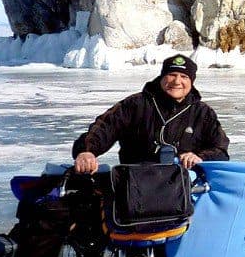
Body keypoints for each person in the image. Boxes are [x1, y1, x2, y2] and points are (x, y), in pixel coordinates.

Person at [72, 54, 230, 174]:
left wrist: (199, 157)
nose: (177, 81)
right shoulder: (136, 104)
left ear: (191, 81)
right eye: (172, 75)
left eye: (184, 77)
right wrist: (87, 151)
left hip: (183, 186)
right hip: (136, 182)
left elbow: (220, 150)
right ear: (162, 77)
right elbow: (104, 128)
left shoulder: (203, 113)